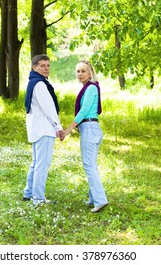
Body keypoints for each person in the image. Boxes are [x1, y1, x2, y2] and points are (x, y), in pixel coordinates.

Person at [63, 60, 108, 213]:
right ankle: (93, 198)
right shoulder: (89, 88)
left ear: (90, 73)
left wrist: (68, 129)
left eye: (83, 71)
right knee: (91, 165)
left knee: (89, 166)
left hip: (89, 128)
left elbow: (84, 111)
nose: (80, 74)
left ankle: (100, 200)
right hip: (89, 128)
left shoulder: (90, 89)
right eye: (78, 71)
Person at [23, 54, 64, 207]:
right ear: (35, 67)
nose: (46, 68)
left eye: (48, 66)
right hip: (44, 129)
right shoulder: (40, 84)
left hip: (37, 128)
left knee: (36, 162)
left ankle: (28, 193)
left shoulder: (33, 82)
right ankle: (38, 198)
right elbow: (49, 108)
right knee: (42, 164)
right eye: (42, 66)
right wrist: (58, 127)